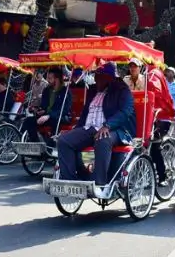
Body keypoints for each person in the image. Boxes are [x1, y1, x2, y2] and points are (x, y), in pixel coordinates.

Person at [57, 62, 135, 199]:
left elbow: (126, 111)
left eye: (100, 76)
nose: (96, 79)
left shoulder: (122, 89)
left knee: (102, 139)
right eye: (96, 75)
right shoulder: (93, 90)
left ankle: (100, 183)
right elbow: (85, 114)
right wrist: (74, 130)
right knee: (64, 141)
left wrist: (108, 125)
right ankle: (71, 181)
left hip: (115, 130)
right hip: (89, 128)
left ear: (109, 77)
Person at [20, 67, 71, 144]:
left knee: (54, 121)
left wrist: (49, 115)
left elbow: (64, 110)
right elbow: (43, 106)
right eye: (48, 78)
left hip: (59, 117)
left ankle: (51, 145)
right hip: (46, 116)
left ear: (57, 79)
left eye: (50, 78)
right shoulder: (46, 90)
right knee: (28, 121)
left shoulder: (65, 91)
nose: (48, 80)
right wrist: (39, 110)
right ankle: (36, 143)